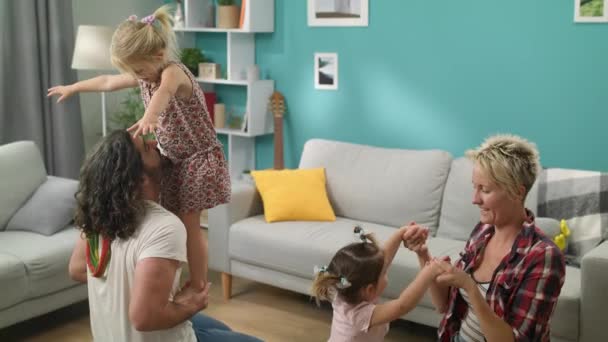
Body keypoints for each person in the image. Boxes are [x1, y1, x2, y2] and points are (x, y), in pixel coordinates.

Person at [50, 5, 230, 291]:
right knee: (168, 224)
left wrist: (151, 117)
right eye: (132, 71)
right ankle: (164, 282)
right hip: (173, 160)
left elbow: (163, 94)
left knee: (189, 227)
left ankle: (198, 284)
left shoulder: (172, 73)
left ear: (157, 56)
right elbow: (108, 81)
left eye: (138, 70)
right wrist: (74, 88)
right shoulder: (147, 72)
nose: (137, 76)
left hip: (196, 159)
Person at [68, 130, 260, 342]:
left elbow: (76, 268)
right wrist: (192, 304)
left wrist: (129, 283)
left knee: (219, 327)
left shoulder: (101, 216)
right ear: (140, 179)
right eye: (146, 147)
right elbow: (143, 318)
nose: (153, 143)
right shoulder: (164, 226)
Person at [402, 134, 566, 342]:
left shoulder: (544, 257)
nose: (474, 199)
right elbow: (444, 306)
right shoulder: (483, 231)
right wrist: (423, 253)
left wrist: (470, 287)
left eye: (485, 190)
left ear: (517, 192)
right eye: (475, 187)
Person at [311, 225, 443, 342]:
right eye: (384, 272)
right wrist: (428, 272)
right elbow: (402, 306)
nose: (386, 269)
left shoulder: (344, 287)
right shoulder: (358, 315)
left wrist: (401, 233)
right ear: (369, 289)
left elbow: (382, 259)